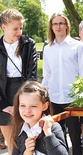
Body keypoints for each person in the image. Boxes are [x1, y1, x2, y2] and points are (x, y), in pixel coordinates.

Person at [42, 12, 83, 155]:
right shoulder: (48, 48)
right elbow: (47, 74)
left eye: (61, 23)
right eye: (55, 24)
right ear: (51, 27)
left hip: (72, 98)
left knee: (75, 137)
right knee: (58, 136)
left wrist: (82, 95)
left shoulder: (78, 46)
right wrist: (43, 95)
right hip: (54, 97)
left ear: (66, 25)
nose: (58, 26)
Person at [0, 8, 37, 154]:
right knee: (12, 144)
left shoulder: (29, 44)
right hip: (2, 96)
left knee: (29, 141)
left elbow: (32, 74)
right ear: (4, 27)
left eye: (21, 28)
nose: (19, 32)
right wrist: (3, 105)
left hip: (25, 94)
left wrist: (22, 103)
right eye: (15, 28)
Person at [10, 81, 68, 155]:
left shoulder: (53, 128)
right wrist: (26, 152)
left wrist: (48, 133)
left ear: (44, 106)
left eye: (33, 106)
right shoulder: (19, 130)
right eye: (22, 106)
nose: (27, 111)